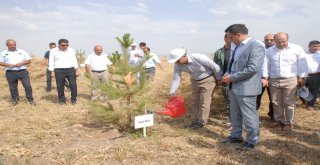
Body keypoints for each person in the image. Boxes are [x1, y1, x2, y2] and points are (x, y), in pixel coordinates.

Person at [221, 24, 265, 150]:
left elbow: (253, 68)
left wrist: (232, 78)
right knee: (235, 114)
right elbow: (233, 65)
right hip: (234, 87)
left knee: (249, 116)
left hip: (247, 88)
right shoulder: (238, 46)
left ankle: (252, 140)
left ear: (238, 34)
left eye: (230, 37)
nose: (229, 40)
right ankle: (236, 136)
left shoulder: (256, 45)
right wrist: (227, 73)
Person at [262, 32, 308, 131]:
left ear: (287, 39)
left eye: (284, 41)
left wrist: (302, 77)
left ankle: (288, 122)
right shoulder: (269, 51)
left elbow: (302, 63)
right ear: (275, 41)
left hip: (290, 79)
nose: (281, 44)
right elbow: (266, 65)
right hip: (274, 79)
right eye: (278, 42)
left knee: (289, 102)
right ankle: (278, 120)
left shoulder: (296, 49)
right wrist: (265, 77)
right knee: (275, 102)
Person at [168, 48, 222, 129]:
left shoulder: (198, 57)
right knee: (195, 102)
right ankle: (194, 121)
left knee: (204, 102)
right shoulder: (178, 65)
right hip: (195, 81)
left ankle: (202, 122)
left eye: (177, 60)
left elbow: (215, 67)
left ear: (184, 56)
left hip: (208, 80)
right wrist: (172, 91)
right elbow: (176, 78)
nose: (176, 62)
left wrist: (219, 79)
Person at [0, 39, 36, 106]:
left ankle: (30, 100)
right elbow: (0, 62)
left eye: (14, 44)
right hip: (10, 72)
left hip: (22, 72)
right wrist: (8, 65)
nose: (13, 46)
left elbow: (29, 60)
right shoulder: (3, 53)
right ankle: (15, 100)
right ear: (7, 45)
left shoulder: (22, 51)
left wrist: (21, 63)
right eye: (11, 45)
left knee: (27, 86)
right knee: (13, 87)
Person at [49, 39, 80, 105]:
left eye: (67, 45)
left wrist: (77, 69)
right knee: (60, 86)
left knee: (73, 85)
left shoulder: (71, 50)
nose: (65, 46)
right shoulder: (53, 51)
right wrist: (52, 71)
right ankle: (62, 100)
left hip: (71, 69)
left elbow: (74, 60)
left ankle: (74, 100)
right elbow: (51, 61)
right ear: (59, 45)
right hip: (59, 70)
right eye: (63, 45)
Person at [256, 34, 275, 121]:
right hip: (260, 78)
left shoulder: (278, 51)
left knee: (273, 99)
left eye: (271, 40)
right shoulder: (259, 49)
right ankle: (254, 116)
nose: (269, 41)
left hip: (273, 78)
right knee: (256, 97)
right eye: (267, 40)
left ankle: (273, 116)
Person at [213, 34, 231, 117]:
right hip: (225, 80)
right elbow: (215, 66)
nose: (232, 39)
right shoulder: (219, 52)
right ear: (225, 39)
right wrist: (218, 78)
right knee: (228, 100)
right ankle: (231, 119)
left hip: (238, 79)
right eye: (230, 37)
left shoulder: (239, 50)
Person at [304, 40, 320, 110]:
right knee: (301, 89)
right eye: (314, 46)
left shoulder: (319, 54)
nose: (316, 48)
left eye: (318, 46)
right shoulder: (303, 55)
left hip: (315, 75)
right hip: (304, 75)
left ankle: (310, 105)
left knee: (314, 90)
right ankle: (304, 101)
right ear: (309, 46)